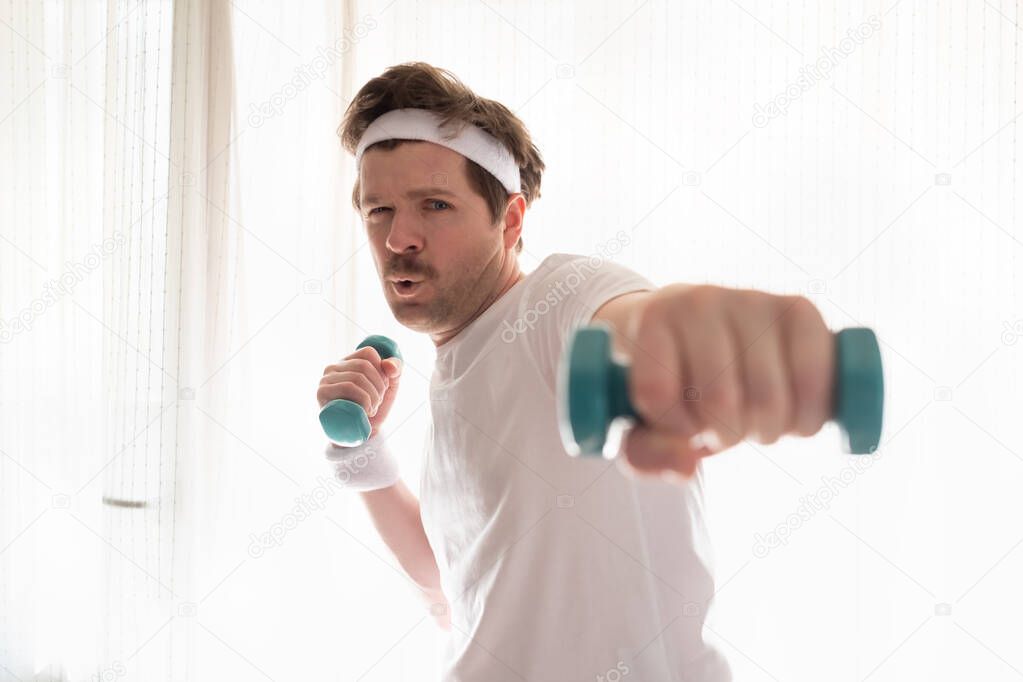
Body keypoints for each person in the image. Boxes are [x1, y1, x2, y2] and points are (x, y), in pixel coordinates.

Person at [317, 62, 834, 682]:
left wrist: (696, 338)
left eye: (435, 205)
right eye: (378, 210)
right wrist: (362, 455)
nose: (400, 237)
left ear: (510, 221)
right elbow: (456, 594)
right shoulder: (456, 369)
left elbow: (628, 323)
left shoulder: (560, 298)